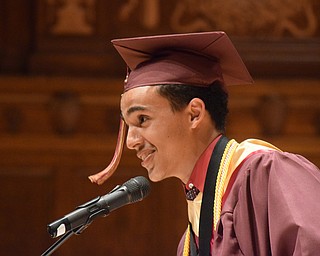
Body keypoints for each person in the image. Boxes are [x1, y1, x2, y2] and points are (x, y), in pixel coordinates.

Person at [88, 31, 320, 255]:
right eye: (128, 126)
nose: (131, 142)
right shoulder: (192, 239)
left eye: (142, 119)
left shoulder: (266, 173)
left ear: (194, 114)